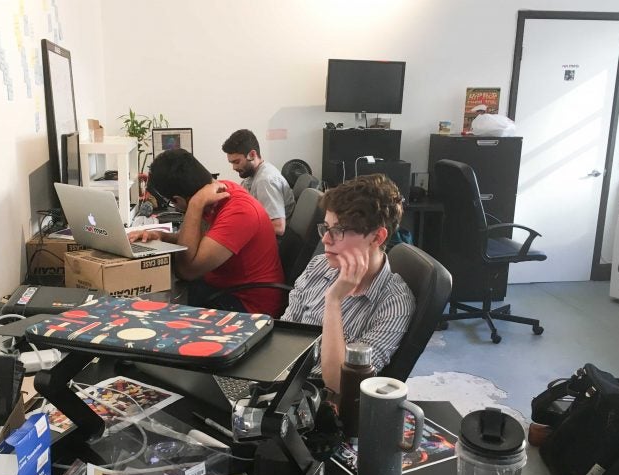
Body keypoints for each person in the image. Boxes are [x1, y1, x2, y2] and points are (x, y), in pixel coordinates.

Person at [281, 174, 415, 393]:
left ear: (377, 238)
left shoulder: (394, 304)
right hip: (283, 378)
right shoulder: (320, 266)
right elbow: (286, 332)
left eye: (338, 231)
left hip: (317, 400)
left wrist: (333, 300)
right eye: (326, 228)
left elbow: (339, 384)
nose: (325, 240)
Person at [131, 148, 286, 317]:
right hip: (224, 287)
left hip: (249, 306)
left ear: (178, 200)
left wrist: (195, 205)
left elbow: (187, 271)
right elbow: (200, 243)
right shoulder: (216, 192)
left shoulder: (238, 211)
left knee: (156, 311)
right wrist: (162, 237)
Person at [222, 129, 295, 236]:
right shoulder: (252, 173)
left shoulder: (266, 180)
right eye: (231, 163)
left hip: (274, 242)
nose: (234, 167)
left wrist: (239, 226)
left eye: (237, 162)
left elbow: (278, 227)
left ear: (252, 154)